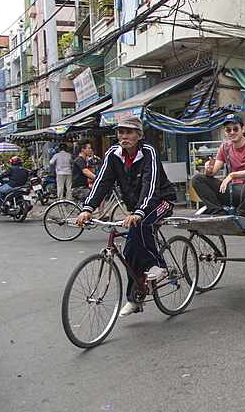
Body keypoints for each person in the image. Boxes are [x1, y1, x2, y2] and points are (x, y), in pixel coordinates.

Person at [75, 116, 177, 317]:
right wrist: (88, 208)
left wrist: (140, 210)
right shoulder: (113, 154)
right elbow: (103, 181)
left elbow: (151, 183)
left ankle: (157, 265)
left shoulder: (148, 152)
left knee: (141, 224)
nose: (124, 136)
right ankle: (135, 298)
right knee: (130, 251)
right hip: (137, 208)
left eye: (129, 132)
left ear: (139, 135)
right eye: (121, 132)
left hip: (160, 201)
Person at [190, 113, 245, 216]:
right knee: (197, 178)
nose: (232, 132)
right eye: (228, 130)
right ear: (225, 131)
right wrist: (208, 170)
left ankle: (242, 214)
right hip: (234, 192)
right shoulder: (225, 147)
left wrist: (232, 175)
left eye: (235, 129)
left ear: (243, 129)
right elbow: (212, 173)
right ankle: (218, 213)